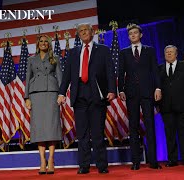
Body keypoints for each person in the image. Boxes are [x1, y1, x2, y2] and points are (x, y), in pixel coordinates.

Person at [57, 22, 116, 174]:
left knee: (97, 133)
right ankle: (84, 166)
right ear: (78, 34)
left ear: (92, 32)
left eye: (86, 30)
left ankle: (102, 165)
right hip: (79, 96)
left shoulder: (103, 50)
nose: (83, 32)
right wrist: (62, 93)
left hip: (97, 95)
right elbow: (67, 76)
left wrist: (111, 90)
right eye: (80, 31)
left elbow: (110, 72)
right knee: (82, 134)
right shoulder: (72, 53)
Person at [118, 24, 162, 170]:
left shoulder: (149, 50)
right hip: (131, 94)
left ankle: (154, 161)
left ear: (140, 35)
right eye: (130, 33)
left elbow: (155, 70)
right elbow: (120, 72)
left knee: (150, 125)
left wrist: (157, 87)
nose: (133, 35)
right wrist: (121, 89)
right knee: (133, 126)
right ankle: (135, 161)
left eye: (135, 33)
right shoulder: (123, 53)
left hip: (147, 92)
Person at [24, 34, 62, 174]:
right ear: (37, 43)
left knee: (51, 127)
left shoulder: (55, 58)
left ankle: (51, 160)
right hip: (36, 95)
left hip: (52, 93)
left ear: (49, 44)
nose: (44, 43)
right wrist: (26, 98)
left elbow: (60, 77)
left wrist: (61, 94)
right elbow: (28, 78)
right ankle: (42, 161)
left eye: (46, 41)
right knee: (39, 128)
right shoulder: (31, 60)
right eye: (41, 41)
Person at [158, 45, 184, 167]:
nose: (169, 54)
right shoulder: (159, 68)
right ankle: (172, 160)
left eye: (171, 52)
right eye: (167, 52)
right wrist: (157, 105)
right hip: (166, 107)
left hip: (183, 105)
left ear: (176, 54)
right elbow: (156, 87)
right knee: (169, 135)